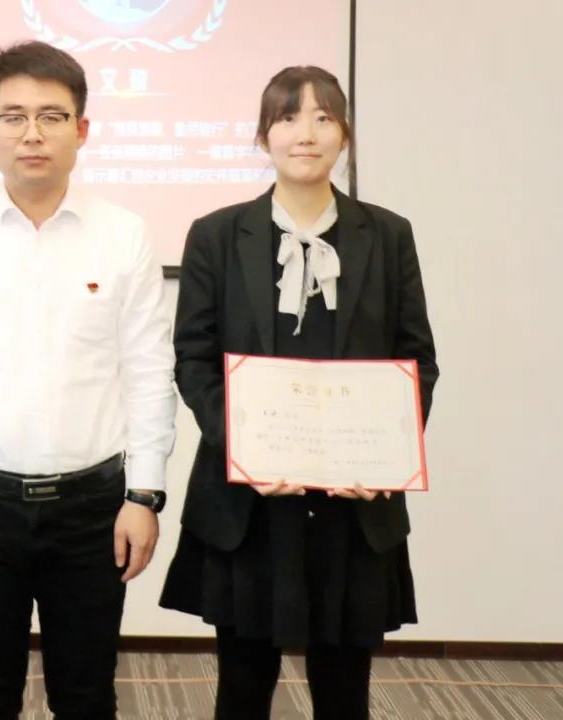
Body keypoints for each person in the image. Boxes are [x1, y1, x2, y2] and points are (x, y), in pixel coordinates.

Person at [0, 40, 177, 719]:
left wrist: (144, 494)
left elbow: (148, 370)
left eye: (52, 116)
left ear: (83, 129)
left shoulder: (124, 235)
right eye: (13, 116)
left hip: (94, 508)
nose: (32, 133)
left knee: (87, 692)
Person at [159, 65, 439, 720]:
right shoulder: (217, 234)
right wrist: (245, 450)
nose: (305, 133)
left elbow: (417, 359)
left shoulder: (388, 234)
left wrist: (385, 459)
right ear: (264, 136)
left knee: (344, 695)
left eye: (322, 117)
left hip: (353, 507)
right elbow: (193, 358)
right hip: (249, 506)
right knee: (242, 690)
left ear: (344, 134)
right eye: (288, 117)